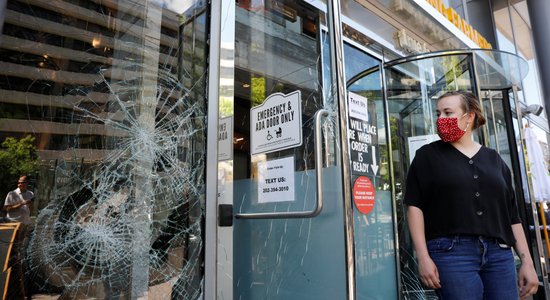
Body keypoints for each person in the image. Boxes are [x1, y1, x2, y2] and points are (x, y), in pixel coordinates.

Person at [404, 90, 539, 299]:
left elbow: (512, 217)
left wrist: (527, 263)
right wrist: (422, 256)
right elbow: (414, 206)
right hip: (451, 253)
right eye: (438, 113)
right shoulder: (427, 156)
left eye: (448, 113)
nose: (441, 119)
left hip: (499, 254)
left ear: (469, 116)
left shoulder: (495, 160)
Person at [4, 175, 34, 299]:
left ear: (26, 183)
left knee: (22, 249)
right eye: (19, 182)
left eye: (22, 182)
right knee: (13, 249)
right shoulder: (12, 194)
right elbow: (7, 208)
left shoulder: (30, 193)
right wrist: (21, 204)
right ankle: (13, 268)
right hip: (13, 224)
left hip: (25, 224)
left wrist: (29, 205)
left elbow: (31, 208)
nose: (19, 184)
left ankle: (22, 270)